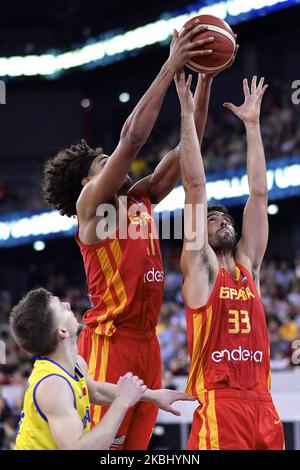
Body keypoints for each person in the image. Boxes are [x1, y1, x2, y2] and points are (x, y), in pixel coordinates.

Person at [42, 20, 222, 450]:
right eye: (104, 163)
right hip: (111, 342)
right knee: (106, 448)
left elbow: (189, 144)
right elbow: (133, 137)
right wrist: (169, 65)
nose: (116, 164)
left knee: (134, 451)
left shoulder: (142, 198)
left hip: (148, 342)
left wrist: (204, 82)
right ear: (88, 182)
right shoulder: (92, 210)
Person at [175, 70, 285, 450]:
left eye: (225, 218)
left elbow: (257, 194)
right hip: (221, 405)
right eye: (212, 218)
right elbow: (194, 185)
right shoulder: (200, 268)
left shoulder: (248, 268)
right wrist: (188, 116)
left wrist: (252, 126)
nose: (222, 220)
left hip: (264, 402)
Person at [10, 288, 194, 450]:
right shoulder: (53, 385)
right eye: (61, 307)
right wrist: (122, 401)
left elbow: (96, 391)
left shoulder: (75, 365)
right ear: (62, 332)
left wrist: (153, 396)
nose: (67, 305)